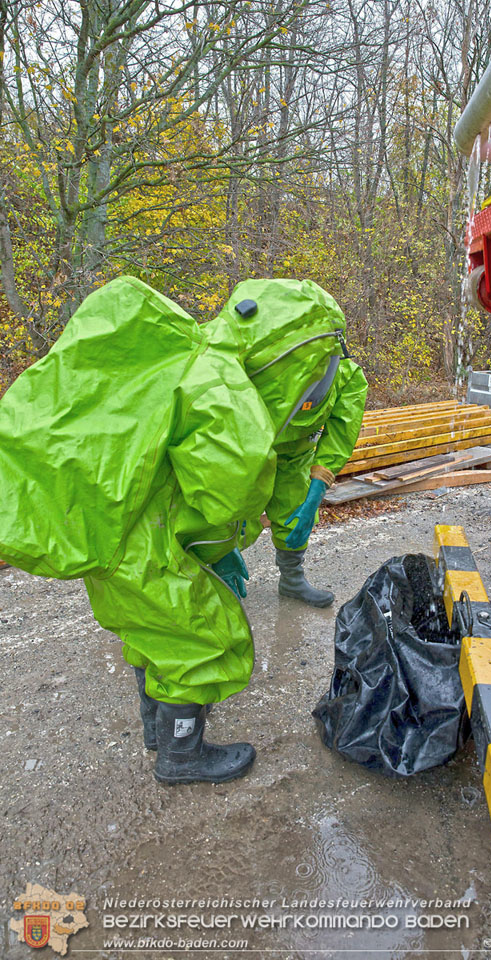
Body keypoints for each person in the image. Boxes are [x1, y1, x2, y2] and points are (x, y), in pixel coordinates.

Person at [0, 275, 357, 786]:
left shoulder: (183, 357)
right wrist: (235, 530)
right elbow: (228, 490)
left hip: (118, 535)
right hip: (154, 546)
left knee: (152, 636)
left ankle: (158, 731)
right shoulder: (221, 386)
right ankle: (182, 756)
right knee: (198, 639)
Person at [266, 340, 368, 607]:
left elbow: (339, 437)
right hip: (246, 446)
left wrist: (316, 492)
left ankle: (291, 580)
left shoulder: (347, 378)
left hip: (296, 452)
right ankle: (212, 571)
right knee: (223, 507)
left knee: (295, 508)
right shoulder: (258, 363)